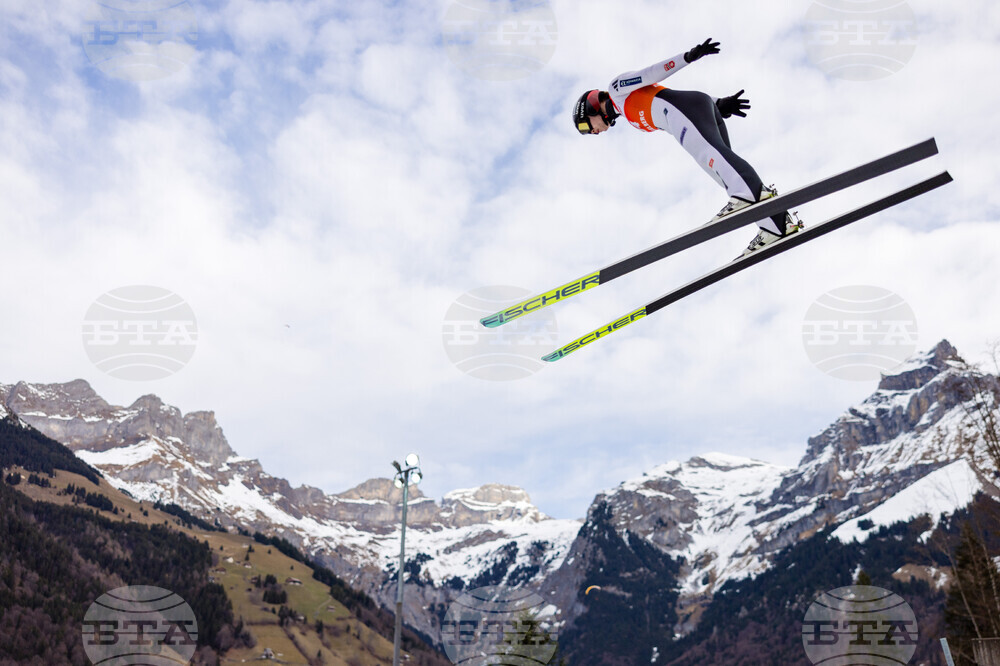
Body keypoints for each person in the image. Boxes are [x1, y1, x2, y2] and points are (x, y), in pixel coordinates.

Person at [573, 38, 801, 257]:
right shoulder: (626, 113)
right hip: (696, 108)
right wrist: (720, 104)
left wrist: (688, 57)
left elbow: (651, 74)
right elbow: (659, 95)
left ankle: (749, 195)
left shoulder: (616, 90)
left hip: (685, 112)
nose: (592, 132)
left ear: (590, 108)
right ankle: (777, 226)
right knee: (723, 173)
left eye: (586, 126)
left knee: (715, 161)